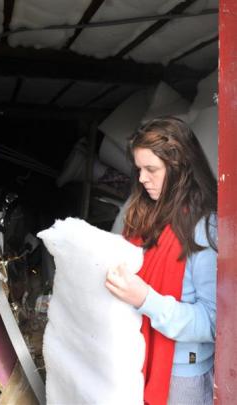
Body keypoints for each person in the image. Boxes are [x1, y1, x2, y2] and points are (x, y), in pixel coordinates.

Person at [105, 116, 217, 405]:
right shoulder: (146, 212)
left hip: (181, 375)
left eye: (151, 169)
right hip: (136, 357)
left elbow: (214, 322)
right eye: (139, 169)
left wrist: (145, 299)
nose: (142, 179)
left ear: (180, 169)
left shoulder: (205, 227)